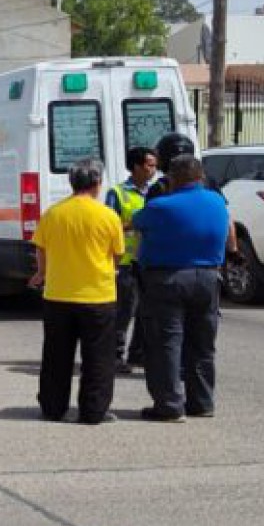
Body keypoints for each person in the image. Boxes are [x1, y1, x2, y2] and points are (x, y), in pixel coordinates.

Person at [132, 155, 231, 421]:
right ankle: (202, 402)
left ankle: (169, 405)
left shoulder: (160, 206)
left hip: (167, 279)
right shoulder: (217, 201)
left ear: (172, 178)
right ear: (201, 177)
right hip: (208, 279)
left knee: (165, 342)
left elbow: (136, 221)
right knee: (202, 344)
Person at [27, 159, 124, 424]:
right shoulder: (108, 216)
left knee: (56, 355)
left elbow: (41, 249)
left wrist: (41, 273)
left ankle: (53, 407)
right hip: (98, 295)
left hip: (58, 294)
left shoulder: (53, 214)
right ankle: (93, 410)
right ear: (97, 183)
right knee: (98, 358)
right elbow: (117, 255)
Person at [103, 146, 160, 374]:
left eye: (155, 165)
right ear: (136, 167)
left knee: (147, 311)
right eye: (150, 165)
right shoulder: (117, 193)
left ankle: (138, 354)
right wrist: (135, 224)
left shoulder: (157, 192)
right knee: (124, 311)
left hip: (149, 261)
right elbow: (109, 226)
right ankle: (114, 355)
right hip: (126, 262)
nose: (154, 170)